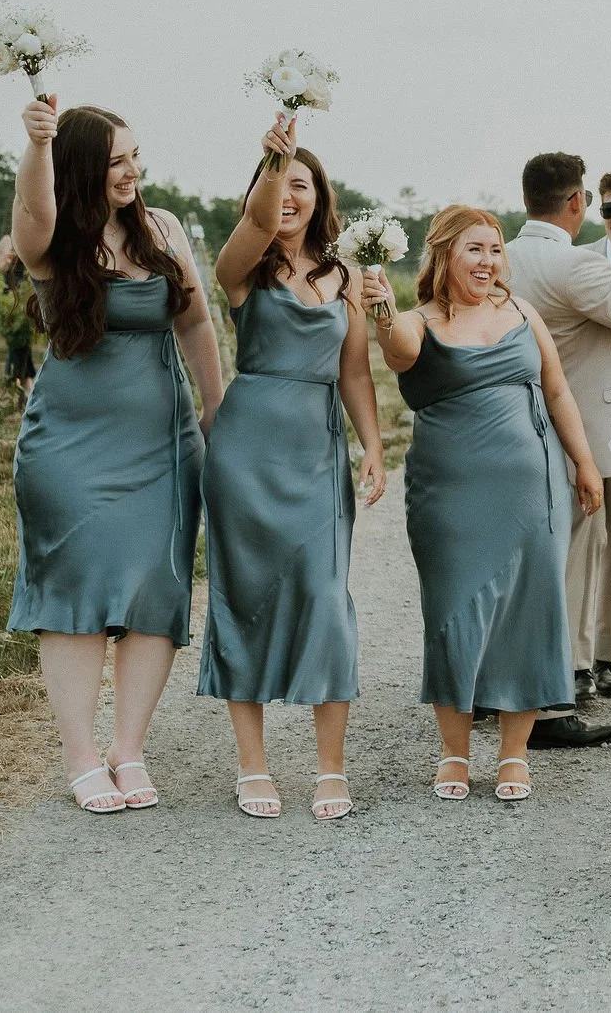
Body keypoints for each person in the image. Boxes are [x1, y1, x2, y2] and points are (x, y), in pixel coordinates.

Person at [6, 96, 224, 814]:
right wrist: (38, 144)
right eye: (114, 163)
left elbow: (196, 324)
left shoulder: (163, 230)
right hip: (68, 448)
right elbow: (32, 207)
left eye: (135, 157)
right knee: (72, 595)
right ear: (78, 170)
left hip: (163, 444)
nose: (132, 173)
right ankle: (80, 755)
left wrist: (214, 410)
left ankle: (128, 749)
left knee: (156, 591)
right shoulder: (51, 240)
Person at [363, 206, 608, 803]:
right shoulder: (418, 320)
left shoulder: (522, 312)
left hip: (532, 488)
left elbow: (556, 390)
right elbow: (398, 351)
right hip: (450, 493)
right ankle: (454, 752)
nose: (488, 261)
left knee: (530, 609)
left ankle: (514, 754)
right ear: (444, 254)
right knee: (452, 609)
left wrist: (584, 462)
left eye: (496, 250)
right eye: (475, 249)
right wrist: (382, 310)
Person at [197, 114, 387, 821]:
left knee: (325, 600)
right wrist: (274, 161)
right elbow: (255, 221)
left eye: (303, 184)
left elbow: (356, 374)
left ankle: (330, 768)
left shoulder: (347, 275)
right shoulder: (241, 269)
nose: (289, 196)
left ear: (320, 197)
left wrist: (373, 447)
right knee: (243, 597)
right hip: (246, 450)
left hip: (317, 451)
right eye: (279, 183)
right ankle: (253, 766)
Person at [504, 154, 611, 718]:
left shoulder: (501, 258)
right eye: (608, 207)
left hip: (555, 421)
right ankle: (571, 667)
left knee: (597, 549)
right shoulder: (576, 264)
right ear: (581, 203)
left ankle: (585, 660)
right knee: (581, 546)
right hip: (592, 427)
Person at [0, 233, 37, 400]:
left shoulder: (26, 239)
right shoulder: (7, 241)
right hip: (11, 299)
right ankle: (23, 384)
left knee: (23, 345)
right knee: (16, 344)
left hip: (23, 298)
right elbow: (0, 266)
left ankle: (17, 381)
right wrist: (9, 259)